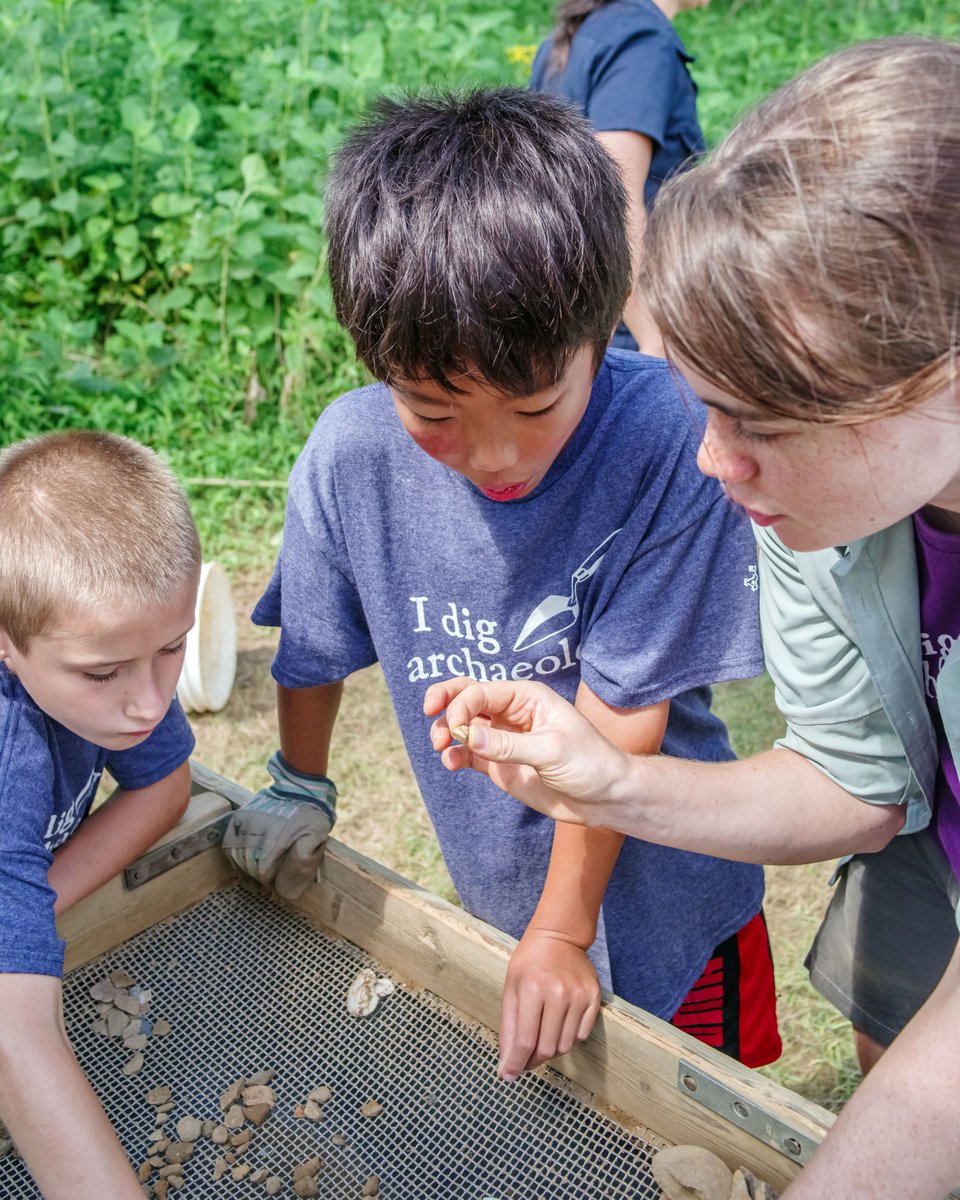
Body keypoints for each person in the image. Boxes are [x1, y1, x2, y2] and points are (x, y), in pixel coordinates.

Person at [425, 36, 960, 1199]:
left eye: (760, 421)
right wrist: (609, 784)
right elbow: (860, 784)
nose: (714, 463)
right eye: (701, 406)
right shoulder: (824, 512)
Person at [230, 86, 781, 1080]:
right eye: (436, 411)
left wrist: (565, 932)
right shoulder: (350, 457)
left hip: (670, 904)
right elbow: (312, 647)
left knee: (707, 1126)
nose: (493, 456)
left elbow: (623, 723)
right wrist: (298, 783)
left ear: (602, 321)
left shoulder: (667, 439)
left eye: (535, 404)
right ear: (376, 359)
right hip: (501, 888)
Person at [0, 430, 201, 1199]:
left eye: (173, 649)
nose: (149, 701)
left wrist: (30, 906)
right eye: (103, 673)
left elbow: (166, 785)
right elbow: (16, 1036)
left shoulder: (114, 656)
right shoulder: (9, 759)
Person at [530, 0, 711, 354]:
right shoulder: (641, 41)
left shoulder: (572, 39)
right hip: (632, 328)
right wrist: (655, 336)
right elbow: (617, 196)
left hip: (581, 323)